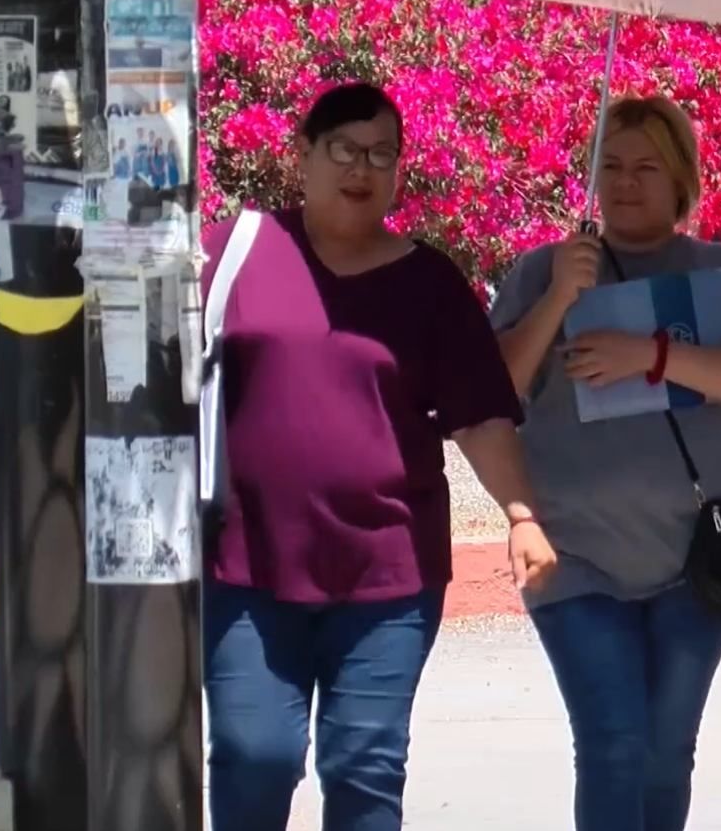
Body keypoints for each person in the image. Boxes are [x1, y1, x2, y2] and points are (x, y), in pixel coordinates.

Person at [200, 82, 557, 831]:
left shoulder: (430, 283)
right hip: (247, 569)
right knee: (252, 752)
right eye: (345, 149)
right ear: (302, 156)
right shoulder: (232, 253)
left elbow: (481, 415)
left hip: (389, 576)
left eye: (383, 154)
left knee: (365, 766)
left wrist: (522, 513)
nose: (364, 168)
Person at [489, 94, 721, 831]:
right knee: (613, 744)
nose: (624, 182)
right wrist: (563, 293)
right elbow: (492, 389)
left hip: (698, 558)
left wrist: (651, 356)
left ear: (680, 179)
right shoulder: (544, 271)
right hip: (576, 557)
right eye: (612, 166)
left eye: (646, 167)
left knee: (664, 751)